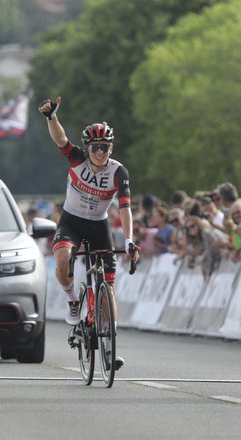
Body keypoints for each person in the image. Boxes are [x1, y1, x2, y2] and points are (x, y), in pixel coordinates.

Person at [38, 96, 139, 370]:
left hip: (98, 226)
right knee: (63, 261)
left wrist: (129, 240)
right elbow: (60, 139)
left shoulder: (119, 172)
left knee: (109, 288)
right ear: (87, 147)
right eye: (95, 147)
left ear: (110, 147)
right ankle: (73, 301)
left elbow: (126, 208)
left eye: (104, 147)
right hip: (71, 221)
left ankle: (110, 345)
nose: (100, 152)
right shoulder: (77, 158)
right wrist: (52, 117)